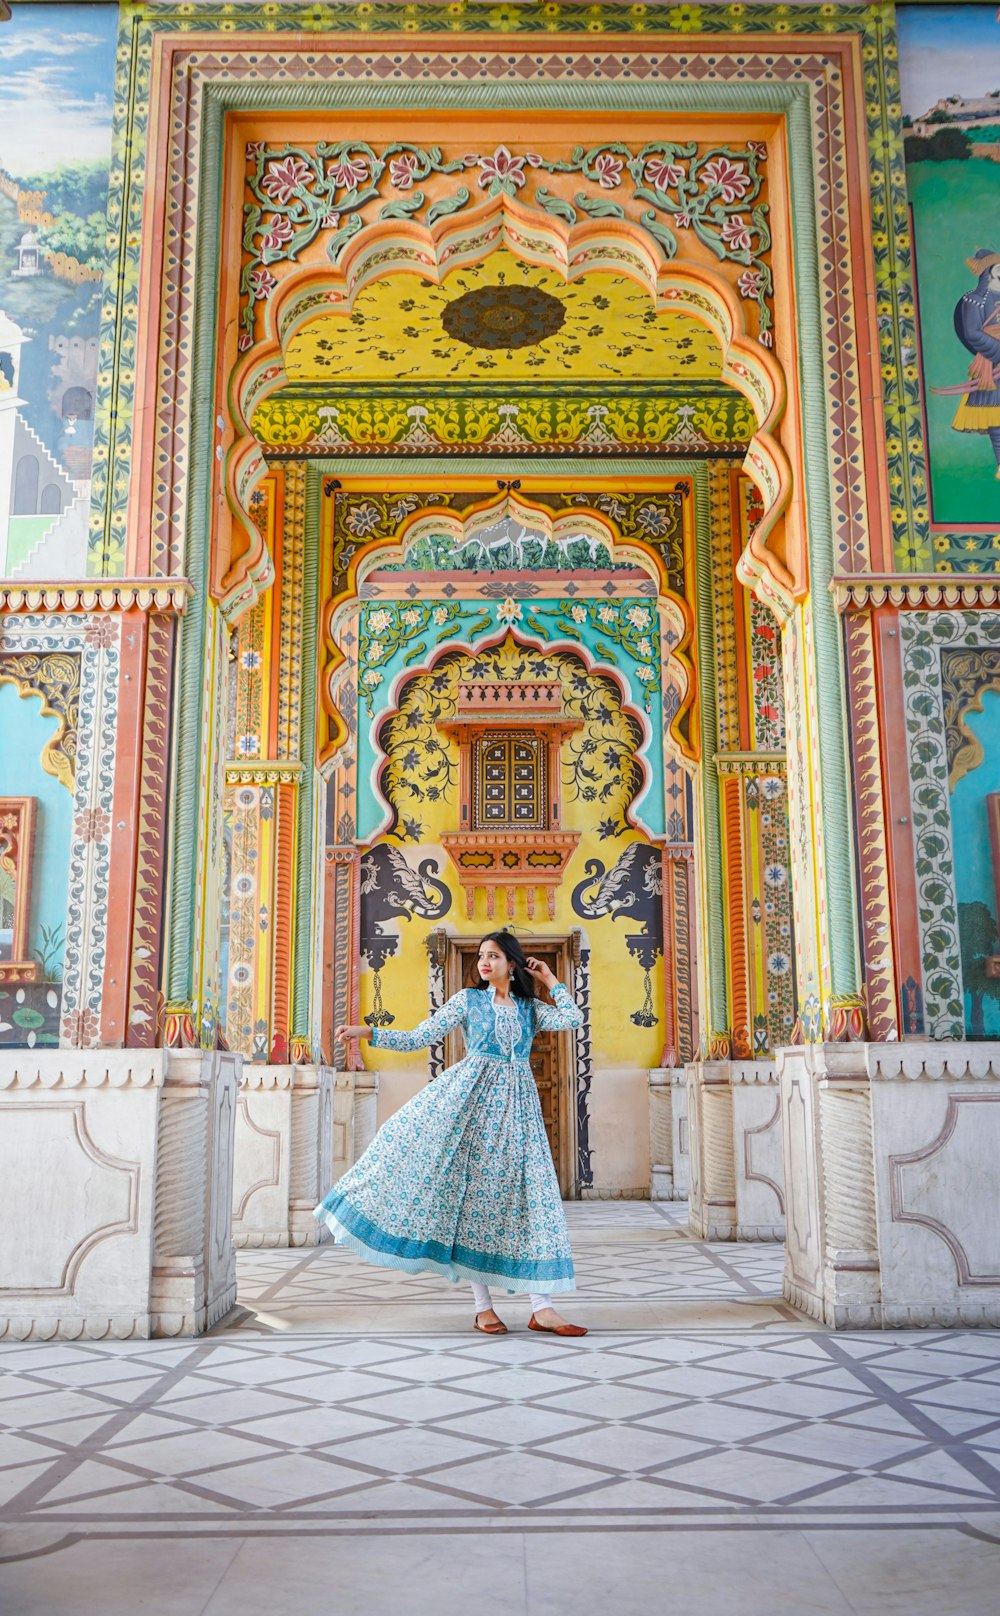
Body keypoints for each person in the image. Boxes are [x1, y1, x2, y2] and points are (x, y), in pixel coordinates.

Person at [314, 931, 587, 1337]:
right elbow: (418, 1037)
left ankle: (542, 1307)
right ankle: (483, 1307)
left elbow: (573, 1019)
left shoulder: (530, 1008)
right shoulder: (468, 1000)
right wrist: (367, 1032)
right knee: (471, 1200)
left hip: (519, 1114)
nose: (484, 962)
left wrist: (550, 980)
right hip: (469, 1106)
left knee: (531, 1197)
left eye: (494, 956)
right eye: (481, 956)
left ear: (512, 964)